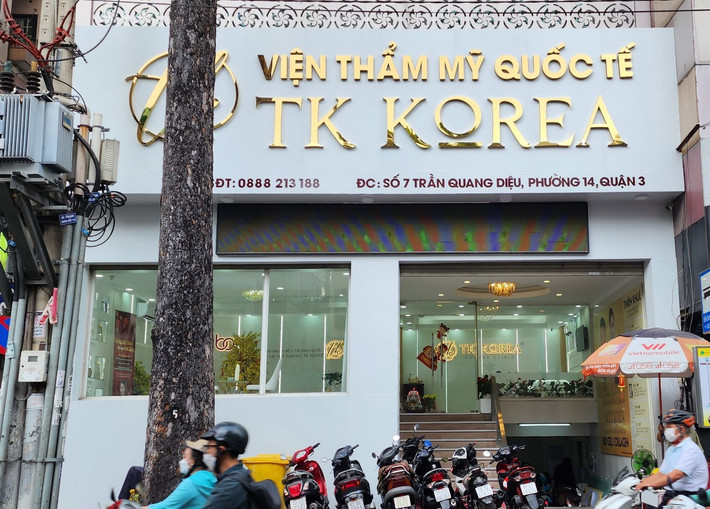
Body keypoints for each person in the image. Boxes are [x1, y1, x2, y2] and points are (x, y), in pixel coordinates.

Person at [635, 409, 708, 505]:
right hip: (673, 496)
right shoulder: (671, 449)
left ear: (681, 429)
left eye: (669, 427)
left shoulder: (691, 449)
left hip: (689, 498)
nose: (666, 430)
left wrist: (649, 483)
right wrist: (640, 482)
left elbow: (676, 475)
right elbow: (661, 473)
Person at [143, 439, 216, 509]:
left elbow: (165, 507)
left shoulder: (191, 483)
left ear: (193, 461)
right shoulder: (212, 479)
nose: (181, 461)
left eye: (185, 456)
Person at [201, 421, 250, 509]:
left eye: (208, 447)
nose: (206, 452)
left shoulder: (230, 486)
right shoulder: (242, 476)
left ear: (221, 450)